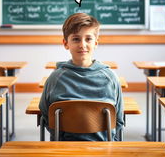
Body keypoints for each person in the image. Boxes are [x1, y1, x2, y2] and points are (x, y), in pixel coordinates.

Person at [39, 13, 124, 141]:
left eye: (88, 39)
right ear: (65, 43)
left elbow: (45, 117)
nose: (82, 44)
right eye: (76, 39)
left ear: (96, 42)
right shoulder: (110, 77)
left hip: (63, 147)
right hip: (103, 147)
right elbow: (119, 121)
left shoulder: (55, 77)